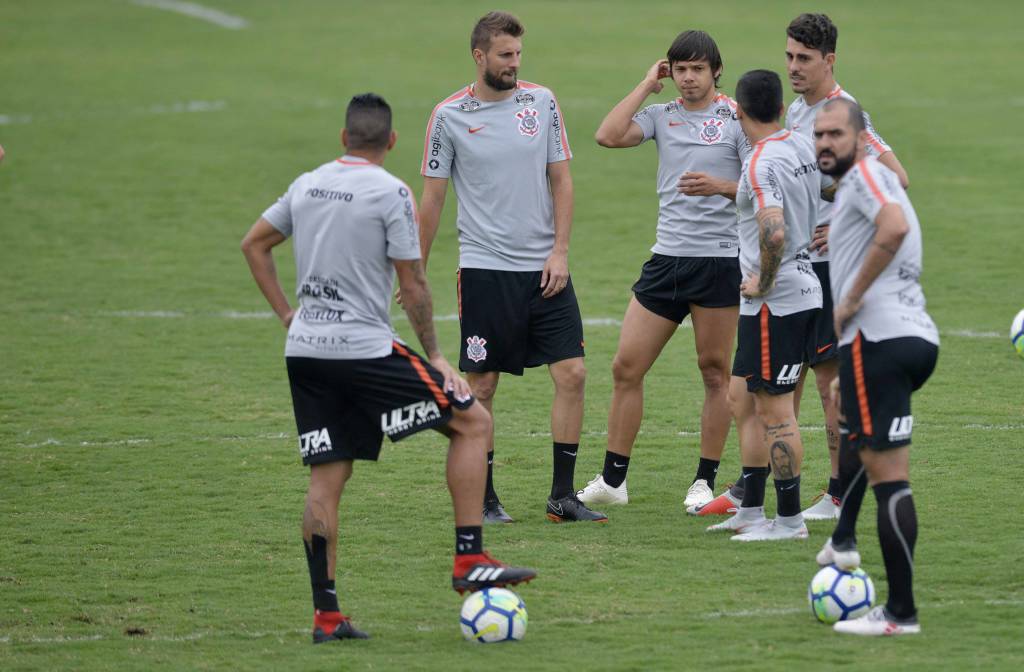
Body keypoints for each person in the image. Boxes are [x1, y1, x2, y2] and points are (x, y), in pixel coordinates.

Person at [241, 93, 536, 643]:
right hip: (363, 349)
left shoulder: (307, 184)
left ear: (343, 137)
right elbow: (413, 283)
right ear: (392, 141)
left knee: (326, 479)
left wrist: (286, 314)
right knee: (473, 421)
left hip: (306, 351)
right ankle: (469, 557)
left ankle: (327, 616)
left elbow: (254, 244)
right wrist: (437, 356)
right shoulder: (390, 191)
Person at [699, 13, 912, 519]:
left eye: (805, 59)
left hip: (828, 267)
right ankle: (755, 487)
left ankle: (838, 494)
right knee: (774, 384)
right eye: (790, 56)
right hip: (797, 265)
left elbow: (894, 179)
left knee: (825, 385)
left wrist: (844, 225)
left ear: (829, 60)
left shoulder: (843, 113)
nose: (793, 66)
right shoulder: (796, 110)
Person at [418, 11, 605, 523]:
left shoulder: (541, 102)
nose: (514, 63)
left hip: (545, 268)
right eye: (505, 55)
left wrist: (560, 250)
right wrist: (415, 268)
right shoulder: (448, 116)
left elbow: (561, 179)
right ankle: (484, 497)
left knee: (573, 373)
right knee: (482, 385)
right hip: (485, 269)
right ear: (479, 56)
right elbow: (432, 198)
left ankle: (562, 497)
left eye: (518, 54)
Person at [579, 30, 748, 512]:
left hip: (719, 261)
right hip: (667, 259)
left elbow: (762, 186)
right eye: (680, 69)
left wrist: (718, 186)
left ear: (717, 71)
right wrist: (644, 86)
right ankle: (613, 481)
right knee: (625, 366)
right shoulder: (661, 114)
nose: (689, 78)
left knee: (714, 372)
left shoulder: (736, 118)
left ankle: (703, 481)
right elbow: (608, 135)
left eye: (698, 69)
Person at [814, 98, 938, 635]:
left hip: (879, 339)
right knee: (860, 432)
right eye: (819, 134)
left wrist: (850, 299)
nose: (825, 143)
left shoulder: (864, 176)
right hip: (914, 337)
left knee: (891, 480)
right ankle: (842, 538)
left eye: (836, 134)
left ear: (862, 140)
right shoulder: (877, 178)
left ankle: (899, 613)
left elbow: (893, 229)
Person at [705, 70, 829, 541]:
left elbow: (773, 233)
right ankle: (751, 510)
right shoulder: (800, 144)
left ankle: (790, 521)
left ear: (738, 111)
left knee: (776, 413)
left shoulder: (759, 163)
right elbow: (834, 186)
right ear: (780, 108)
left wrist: (765, 281)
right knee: (742, 399)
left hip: (777, 302)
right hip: (790, 295)